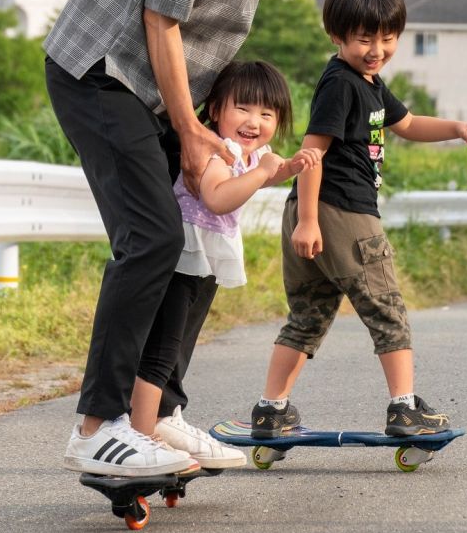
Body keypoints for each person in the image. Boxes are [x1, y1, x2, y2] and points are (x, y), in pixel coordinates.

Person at [45, 0, 391, 478]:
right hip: (104, 73)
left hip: (164, 87)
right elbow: (161, 16)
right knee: (153, 238)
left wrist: (212, 119)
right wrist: (188, 126)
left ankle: (156, 415)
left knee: (200, 244)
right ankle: (96, 425)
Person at [250, 0, 467, 439]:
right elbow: (312, 151)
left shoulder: (369, 82)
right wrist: (310, 219)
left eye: (388, 38)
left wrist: (457, 126)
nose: (377, 48)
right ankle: (404, 408)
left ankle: (271, 410)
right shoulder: (341, 84)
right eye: (364, 39)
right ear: (336, 36)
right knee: (387, 309)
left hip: (316, 212)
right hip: (342, 213)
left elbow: (409, 123)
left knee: (308, 316)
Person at [120, 60, 323, 470]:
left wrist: (285, 169)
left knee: (179, 345)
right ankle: (140, 437)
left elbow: (259, 176)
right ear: (215, 109)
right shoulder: (215, 150)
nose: (254, 121)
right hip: (185, 251)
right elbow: (217, 198)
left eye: (267, 114)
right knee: (162, 349)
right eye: (243, 109)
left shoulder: (247, 154)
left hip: (206, 254)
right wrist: (265, 171)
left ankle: (159, 425)